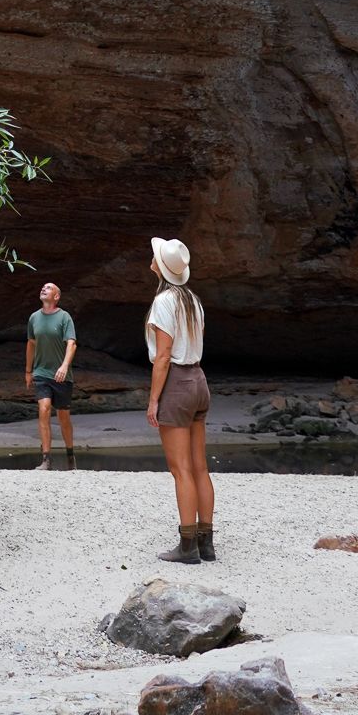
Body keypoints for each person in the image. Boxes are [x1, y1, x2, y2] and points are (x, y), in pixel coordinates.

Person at [144, 236, 214, 562]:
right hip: (199, 380)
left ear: (162, 266)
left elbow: (163, 357)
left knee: (180, 470)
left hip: (178, 383)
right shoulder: (194, 301)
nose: (152, 259)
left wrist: (153, 400)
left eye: (155, 256)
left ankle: (187, 547)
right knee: (200, 468)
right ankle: (207, 542)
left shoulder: (163, 302)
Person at [25, 280, 77, 468]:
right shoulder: (34, 318)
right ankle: (46, 459)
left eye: (48, 288)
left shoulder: (64, 317)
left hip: (62, 375)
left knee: (63, 417)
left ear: (56, 296)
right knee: (44, 408)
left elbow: (71, 344)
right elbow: (31, 344)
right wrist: (28, 371)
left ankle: (70, 456)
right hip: (41, 373)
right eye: (43, 287)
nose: (43, 289)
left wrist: (64, 367)